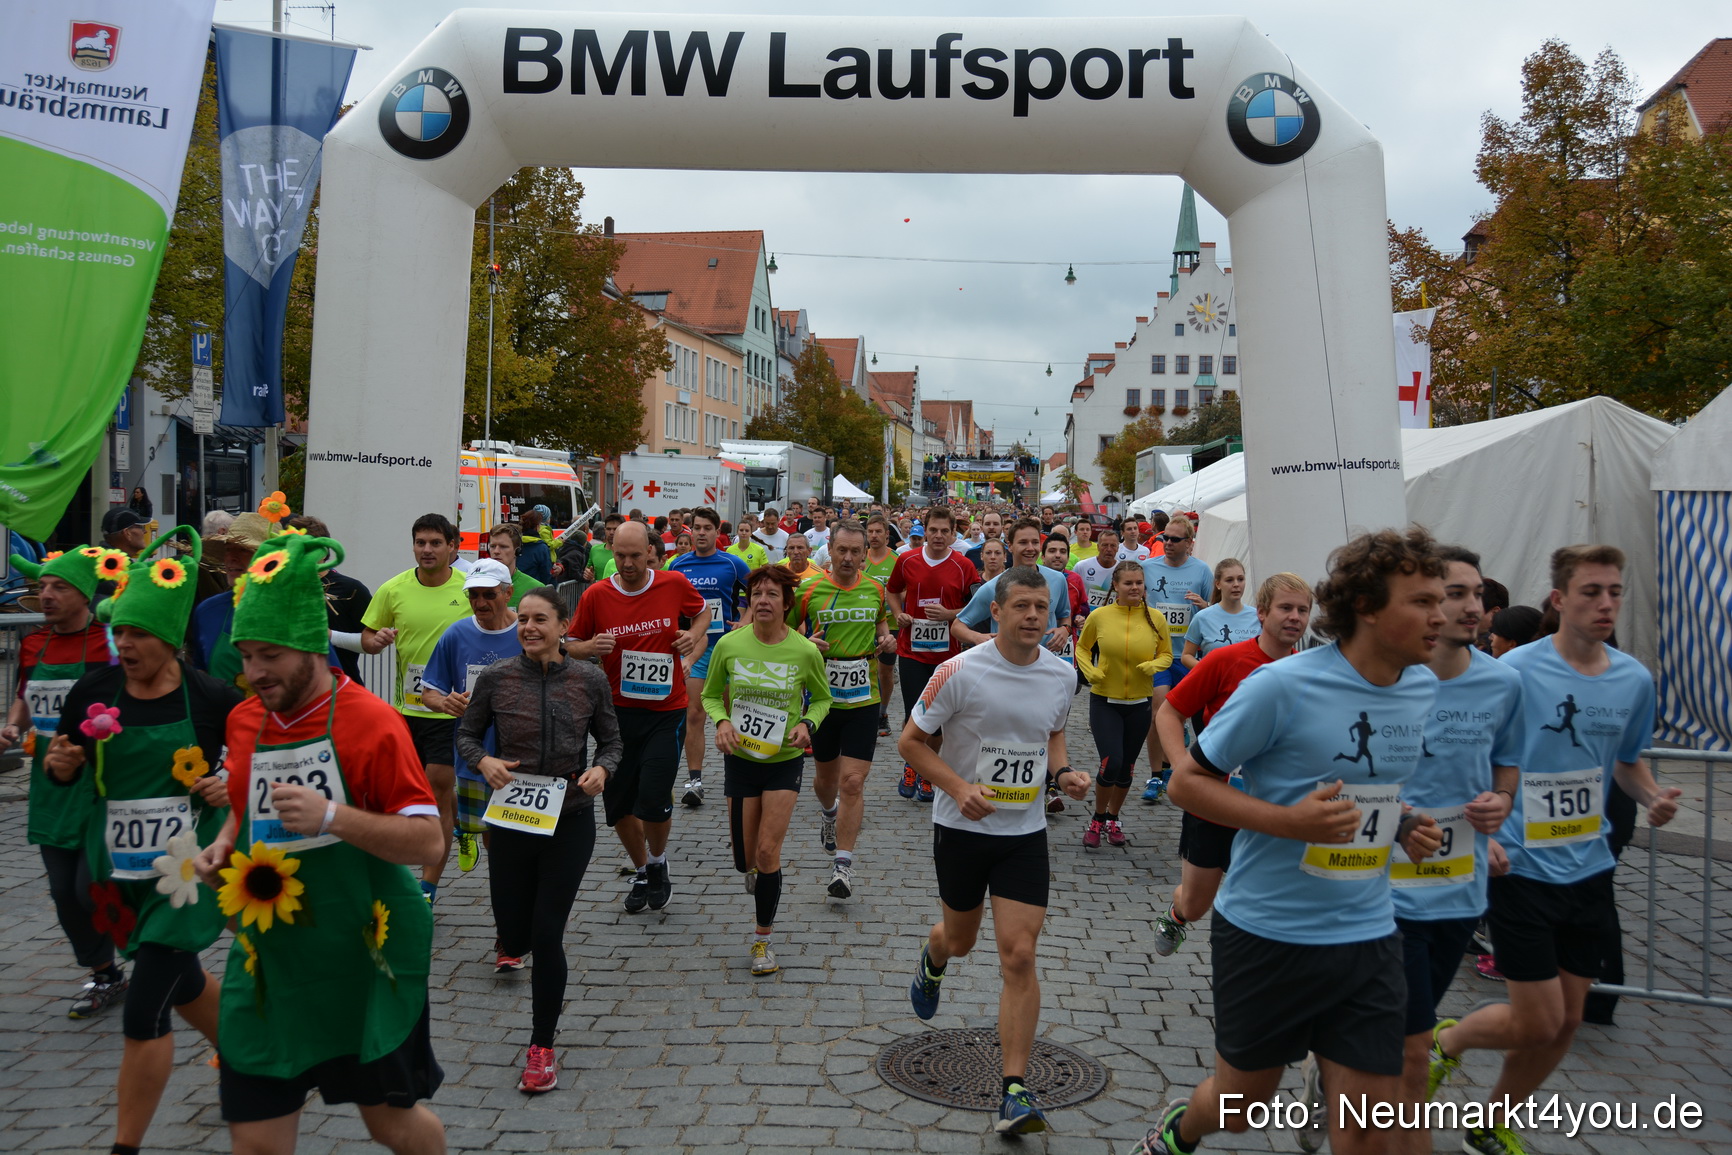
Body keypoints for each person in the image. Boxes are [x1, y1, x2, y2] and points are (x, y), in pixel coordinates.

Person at [1130, 528, 1447, 1155]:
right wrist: (1289, 823)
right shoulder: (1282, 686)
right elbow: (1187, 786)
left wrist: (1404, 821)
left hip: (1367, 932)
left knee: (1381, 1124)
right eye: (1422, 602)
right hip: (1267, 931)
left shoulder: (1421, 688)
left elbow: (1367, 787)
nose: (1442, 616)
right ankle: (1179, 1130)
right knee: (1240, 1105)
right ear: (1367, 607)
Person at [194, 532, 447, 1155]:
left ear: (309, 645)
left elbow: (427, 841)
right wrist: (224, 844)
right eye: (246, 654)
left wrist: (332, 815)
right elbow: (247, 810)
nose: (254, 672)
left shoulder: (371, 721)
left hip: (362, 961)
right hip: (272, 960)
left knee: (392, 1126)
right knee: (254, 1141)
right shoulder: (244, 717)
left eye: (270, 655)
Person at [1427, 545, 1679, 1155]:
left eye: (1615, 592)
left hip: (1590, 867)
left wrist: (1650, 796)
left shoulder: (1632, 678)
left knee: (1567, 1020)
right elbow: (1473, 757)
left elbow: (1625, 762)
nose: (1606, 604)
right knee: (1537, 1016)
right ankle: (1446, 1043)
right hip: (1519, 865)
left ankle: (1492, 1122)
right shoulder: (1514, 673)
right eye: (1592, 592)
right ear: (1560, 600)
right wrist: (1479, 832)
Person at [47, 525, 240, 1153]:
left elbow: (244, 764)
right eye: (119, 631)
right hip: (117, 869)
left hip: (186, 874)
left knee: (146, 1007)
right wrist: (62, 765)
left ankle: (123, 1146)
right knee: (180, 981)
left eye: (137, 634)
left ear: (171, 641)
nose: (124, 644)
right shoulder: (94, 691)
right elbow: (62, 757)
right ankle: (249, 1058)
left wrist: (224, 784)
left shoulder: (210, 697)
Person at [902, 566, 1088, 1135]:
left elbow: (1052, 733)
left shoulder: (1061, 676)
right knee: (960, 940)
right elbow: (911, 743)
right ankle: (934, 956)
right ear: (998, 612)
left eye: (1042, 607)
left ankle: (1014, 1090)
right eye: (1022, 607)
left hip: (1023, 835)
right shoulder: (957, 671)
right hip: (960, 830)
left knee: (1020, 954)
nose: (1034, 616)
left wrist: (1064, 774)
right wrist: (958, 788)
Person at [1365, 547, 1523, 1155]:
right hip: (1381, 889)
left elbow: (1507, 764)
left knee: (1407, 1037)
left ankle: (1337, 1074)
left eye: (1476, 595)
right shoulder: (1388, 676)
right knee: (1408, 1050)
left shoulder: (1504, 682)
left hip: (1459, 889)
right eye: (1452, 594)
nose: (1469, 607)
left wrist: (1502, 804)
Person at [458, 586, 617, 1092]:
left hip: (569, 818)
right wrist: (483, 759)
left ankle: (541, 1047)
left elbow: (613, 741)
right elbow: (465, 734)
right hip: (510, 821)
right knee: (517, 930)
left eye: (539, 619)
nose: (528, 627)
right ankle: (513, 938)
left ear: (563, 626)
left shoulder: (589, 679)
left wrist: (602, 771)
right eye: (523, 619)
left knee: (548, 935)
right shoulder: (498, 679)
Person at [1149, 572, 1313, 957]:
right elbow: (1170, 711)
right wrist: (1182, 770)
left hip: (1271, 809)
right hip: (1213, 804)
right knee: (1196, 903)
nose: (1294, 617)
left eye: (1302, 610)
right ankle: (1176, 913)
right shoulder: (1225, 660)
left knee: (1262, 902)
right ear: (1262, 614)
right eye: (1285, 608)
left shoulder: (1311, 671)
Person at [567, 522, 709, 912]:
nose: (628, 564)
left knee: (653, 795)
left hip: (667, 710)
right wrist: (590, 647)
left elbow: (703, 614)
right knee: (618, 806)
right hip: (615, 715)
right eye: (620, 555)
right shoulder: (597, 595)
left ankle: (659, 862)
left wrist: (691, 639)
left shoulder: (673, 584)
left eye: (635, 555)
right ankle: (643, 868)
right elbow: (570, 644)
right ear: (611, 550)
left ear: (650, 550)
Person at [4, 544, 122, 1017]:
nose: (46, 595)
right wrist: (14, 724)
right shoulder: (35, 643)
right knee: (61, 891)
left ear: (85, 594)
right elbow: (25, 697)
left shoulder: (110, 642)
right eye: (42, 587)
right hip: (49, 783)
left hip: (99, 782)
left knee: (86, 886)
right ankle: (103, 973)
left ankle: (153, 953)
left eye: (58, 587)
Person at [703, 566, 833, 973]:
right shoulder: (729, 645)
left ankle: (762, 941)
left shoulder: (804, 651)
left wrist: (806, 724)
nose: (762, 600)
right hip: (741, 760)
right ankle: (754, 871)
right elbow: (710, 696)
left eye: (772, 594)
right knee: (745, 860)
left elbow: (822, 700)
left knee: (767, 851)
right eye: (756, 594)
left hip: (783, 762)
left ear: (786, 603)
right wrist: (722, 722)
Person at [361, 513, 471, 904]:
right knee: (404, 793)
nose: (427, 550)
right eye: (420, 543)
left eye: (435, 543)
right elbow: (368, 635)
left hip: (450, 710)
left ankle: (427, 886)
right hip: (405, 711)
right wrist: (377, 640)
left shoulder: (468, 589)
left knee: (437, 788)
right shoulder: (394, 589)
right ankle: (458, 826)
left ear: (452, 547)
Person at [789, 520, 897, 900]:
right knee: (826, 783)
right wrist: (805, 641)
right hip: (823, 701)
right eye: (842, 550)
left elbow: (882, 624)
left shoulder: (875, 589)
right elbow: (781, 636)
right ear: (830, 551)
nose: (848, 558)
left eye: (856, 551)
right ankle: (829, 813)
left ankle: (843, 866)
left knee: (853, 782)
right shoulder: (808, 590)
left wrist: (885, 638)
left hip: (863, 699)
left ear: (865, 552)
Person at [419, 559, 525, 877]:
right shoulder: (457, 634)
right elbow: (429, 692)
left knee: (520, 836)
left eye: (488, 595)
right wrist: (444, 702)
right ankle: (505, 895)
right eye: (473, 595)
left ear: (508, 593)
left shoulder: (527, 631)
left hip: (523, 754)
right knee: (491, 835)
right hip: (474, 758)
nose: (480, 603)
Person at [1074, 559, 1173, 849]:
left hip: (1140, 702)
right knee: (1111, 761)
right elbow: (1082, 646)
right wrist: (1088, 671)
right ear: (1115, 586)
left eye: (1139, 583)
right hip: (1105, 700)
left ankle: (1113, 818)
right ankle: (1097, 817)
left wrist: (1155, 665)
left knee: (1128, 767)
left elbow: (1167, 654)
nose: (1134, 588)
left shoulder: (1156, 618)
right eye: (1128, 583)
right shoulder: (1100, 616)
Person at [886, 507, 981, 803]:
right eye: (933, 530)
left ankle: (928, 773)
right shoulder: (907, 560)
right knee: (913, 712)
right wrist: (899, 613)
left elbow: (977, 604)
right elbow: (892, 591)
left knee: (939, 718)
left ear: (954, 534)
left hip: (947, 654)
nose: (938, 536)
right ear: (924, 531)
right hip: (911, 650)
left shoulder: (963, 565)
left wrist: (950, 614)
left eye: (945, 531)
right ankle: (912, 765)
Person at [669, 508, 751, 810]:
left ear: (718, 532)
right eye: (697, 528)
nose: (701, 533)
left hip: (729, 649)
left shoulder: (732, 563)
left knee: (732, 713)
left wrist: (746, 618)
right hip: (696, 649)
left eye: (707, 528)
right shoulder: (678, 566)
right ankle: (695, 780)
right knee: (694, 713)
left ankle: (737, 774)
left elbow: (756, 590)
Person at [1139, 516, 1213, 804]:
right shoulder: (1147, 568)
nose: (1167, 543)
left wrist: (1204, 606)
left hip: (1187, 655)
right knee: (1158, 710)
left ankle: (1173, 768)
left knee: (1179, 714)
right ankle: (1156, 775)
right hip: (1158, 653)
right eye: (1164, 538)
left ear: (1189, 543)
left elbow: (1214, 613)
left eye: (1174, 539)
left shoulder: (1202, 571)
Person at [285, 515, 373, 686]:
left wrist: (330, 635)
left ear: (324, 551)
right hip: (293, 692)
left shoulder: (351, 589)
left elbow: (373, 644)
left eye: (306, 547)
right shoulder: (280, 587)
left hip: (342, 690)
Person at [189, 510, 273, 687]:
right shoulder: (208, 611)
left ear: (269, 559)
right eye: (227, 550)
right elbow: (200, 673)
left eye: (243, 549)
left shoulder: (295, 609)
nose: (231, 558)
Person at [1180, 558, 1259, 671]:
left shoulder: (1257, 617)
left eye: (1240, 579)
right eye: (1229, 580)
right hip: (1216, 686)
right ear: (1218, 584)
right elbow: (1186, 656)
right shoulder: (1202, 617)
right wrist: (1209, 670)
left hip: (1249, 685)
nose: (1236, 584)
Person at [864, 515, 901, 736]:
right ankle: (867, 712)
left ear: (887, 534)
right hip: (865, 624)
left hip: (891, 623)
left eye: (879, 531)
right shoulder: (861, 557)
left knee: (885, 671)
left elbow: (904, 591)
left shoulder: (897, 560)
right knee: (867, 669)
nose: (874, 536)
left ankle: (883, 713)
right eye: (871, 532)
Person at [484, 523, 545, 608]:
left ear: (518, 551)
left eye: (503, 546)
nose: (496, 551)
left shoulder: (536, 588)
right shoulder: (478, 585)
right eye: (493, 546)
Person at [515, 511, 553, 584]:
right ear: (538, 526)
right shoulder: (541, 547)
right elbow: (546, 572)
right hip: (534, 588)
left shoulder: (514, 543)